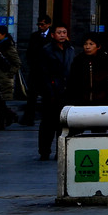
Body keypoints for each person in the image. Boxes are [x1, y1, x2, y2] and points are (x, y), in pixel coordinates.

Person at [33, 24, 74, 159]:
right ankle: (44, 151)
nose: (62, 35)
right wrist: (48, 89)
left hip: (66, 91)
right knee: (48, 123)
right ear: (52, 35)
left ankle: (60, 150)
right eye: (59, 32)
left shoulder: (71, 50)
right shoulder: (46, 50)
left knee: (63, 123)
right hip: (51, 91)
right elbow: (42, 72)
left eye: (64, 32)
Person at [66, 32, 108, 106]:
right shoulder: (78, 60)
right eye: (85, 44)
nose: (87, 47)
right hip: (82, 101)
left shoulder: (105, 59)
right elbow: (72, 80)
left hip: (102, 101)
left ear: (98, 46)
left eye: (91, 44)